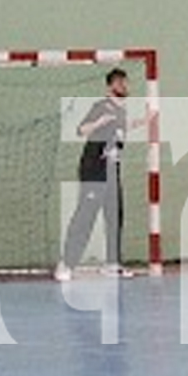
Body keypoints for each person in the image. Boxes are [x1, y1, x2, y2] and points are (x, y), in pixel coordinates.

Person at [56, 68, 135, 281]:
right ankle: (67, 264)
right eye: (119, 83)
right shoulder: (101, 106)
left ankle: (112, 263)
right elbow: (81, 130)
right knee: (85, 216)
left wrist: (147, 120)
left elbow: (123, 129)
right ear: (110, 86)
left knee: (114, 217)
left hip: (112, 171)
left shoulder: (121, 111)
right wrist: (99, 122)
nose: (124, 86)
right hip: (94, 170)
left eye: (125, 82)